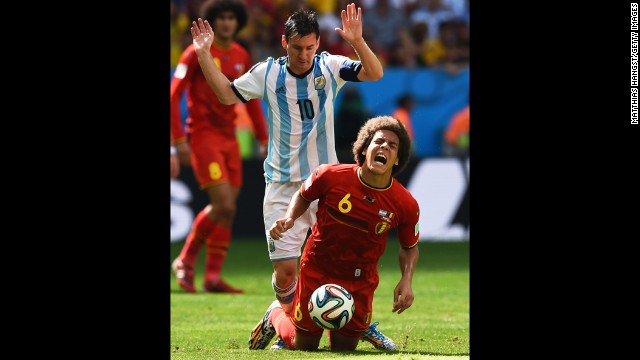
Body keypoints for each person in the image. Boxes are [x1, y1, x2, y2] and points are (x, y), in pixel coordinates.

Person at [190, 3, 397, 349]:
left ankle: (359, 323)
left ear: (318, 44)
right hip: (283, 186)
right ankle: (284, 315)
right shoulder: (267, 74)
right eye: (298, 48)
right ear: (284, 43)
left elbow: (375, 73)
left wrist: (358, 42)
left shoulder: (329, 66)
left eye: (310, 47)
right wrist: (203, 55)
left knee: (345, 263)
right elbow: (226, 95)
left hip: (326, 185)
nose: (304, 55)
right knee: (286, 272)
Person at [249, 116, 420, 351]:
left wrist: (406, 279)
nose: (384, 147)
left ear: (397, 159)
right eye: (378, 142)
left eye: (392, 146)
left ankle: (361, 328)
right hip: (319, 268)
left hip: (360, 279)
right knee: (304, 345)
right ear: (365, 148)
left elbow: (409, 247)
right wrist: (290, 218)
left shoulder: (405, 203)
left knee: (344, 349)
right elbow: (303, 195)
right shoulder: (330, 175)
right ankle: (276, 315)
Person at [170, 0, 269, 293]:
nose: (226, 23)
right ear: (212, 21)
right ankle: (185, 260)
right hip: (202, 137)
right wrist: (177, 142)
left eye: (230, 18)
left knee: (228, 210)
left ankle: (212, 276)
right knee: (223, 203)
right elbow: (173, 97)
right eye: (220, 18)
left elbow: (249, 100)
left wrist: (263, 138)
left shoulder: (241, 55)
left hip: (229, 139)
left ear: (237, 22)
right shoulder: (194, 53)